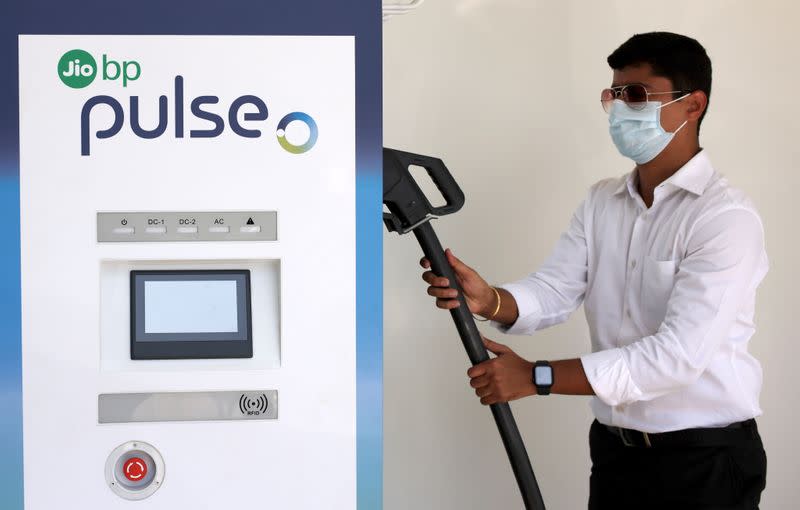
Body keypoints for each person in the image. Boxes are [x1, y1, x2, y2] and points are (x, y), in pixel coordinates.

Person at [421, 32, 768, 510]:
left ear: (692, 106)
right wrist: (491, 300)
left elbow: (676, 357)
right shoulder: (602, 201)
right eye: (615, 93)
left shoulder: (724, 218)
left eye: (638, 94)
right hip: (615, 453)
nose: (621, 106)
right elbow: (556, 289)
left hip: (704, 461)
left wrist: (538, 377)